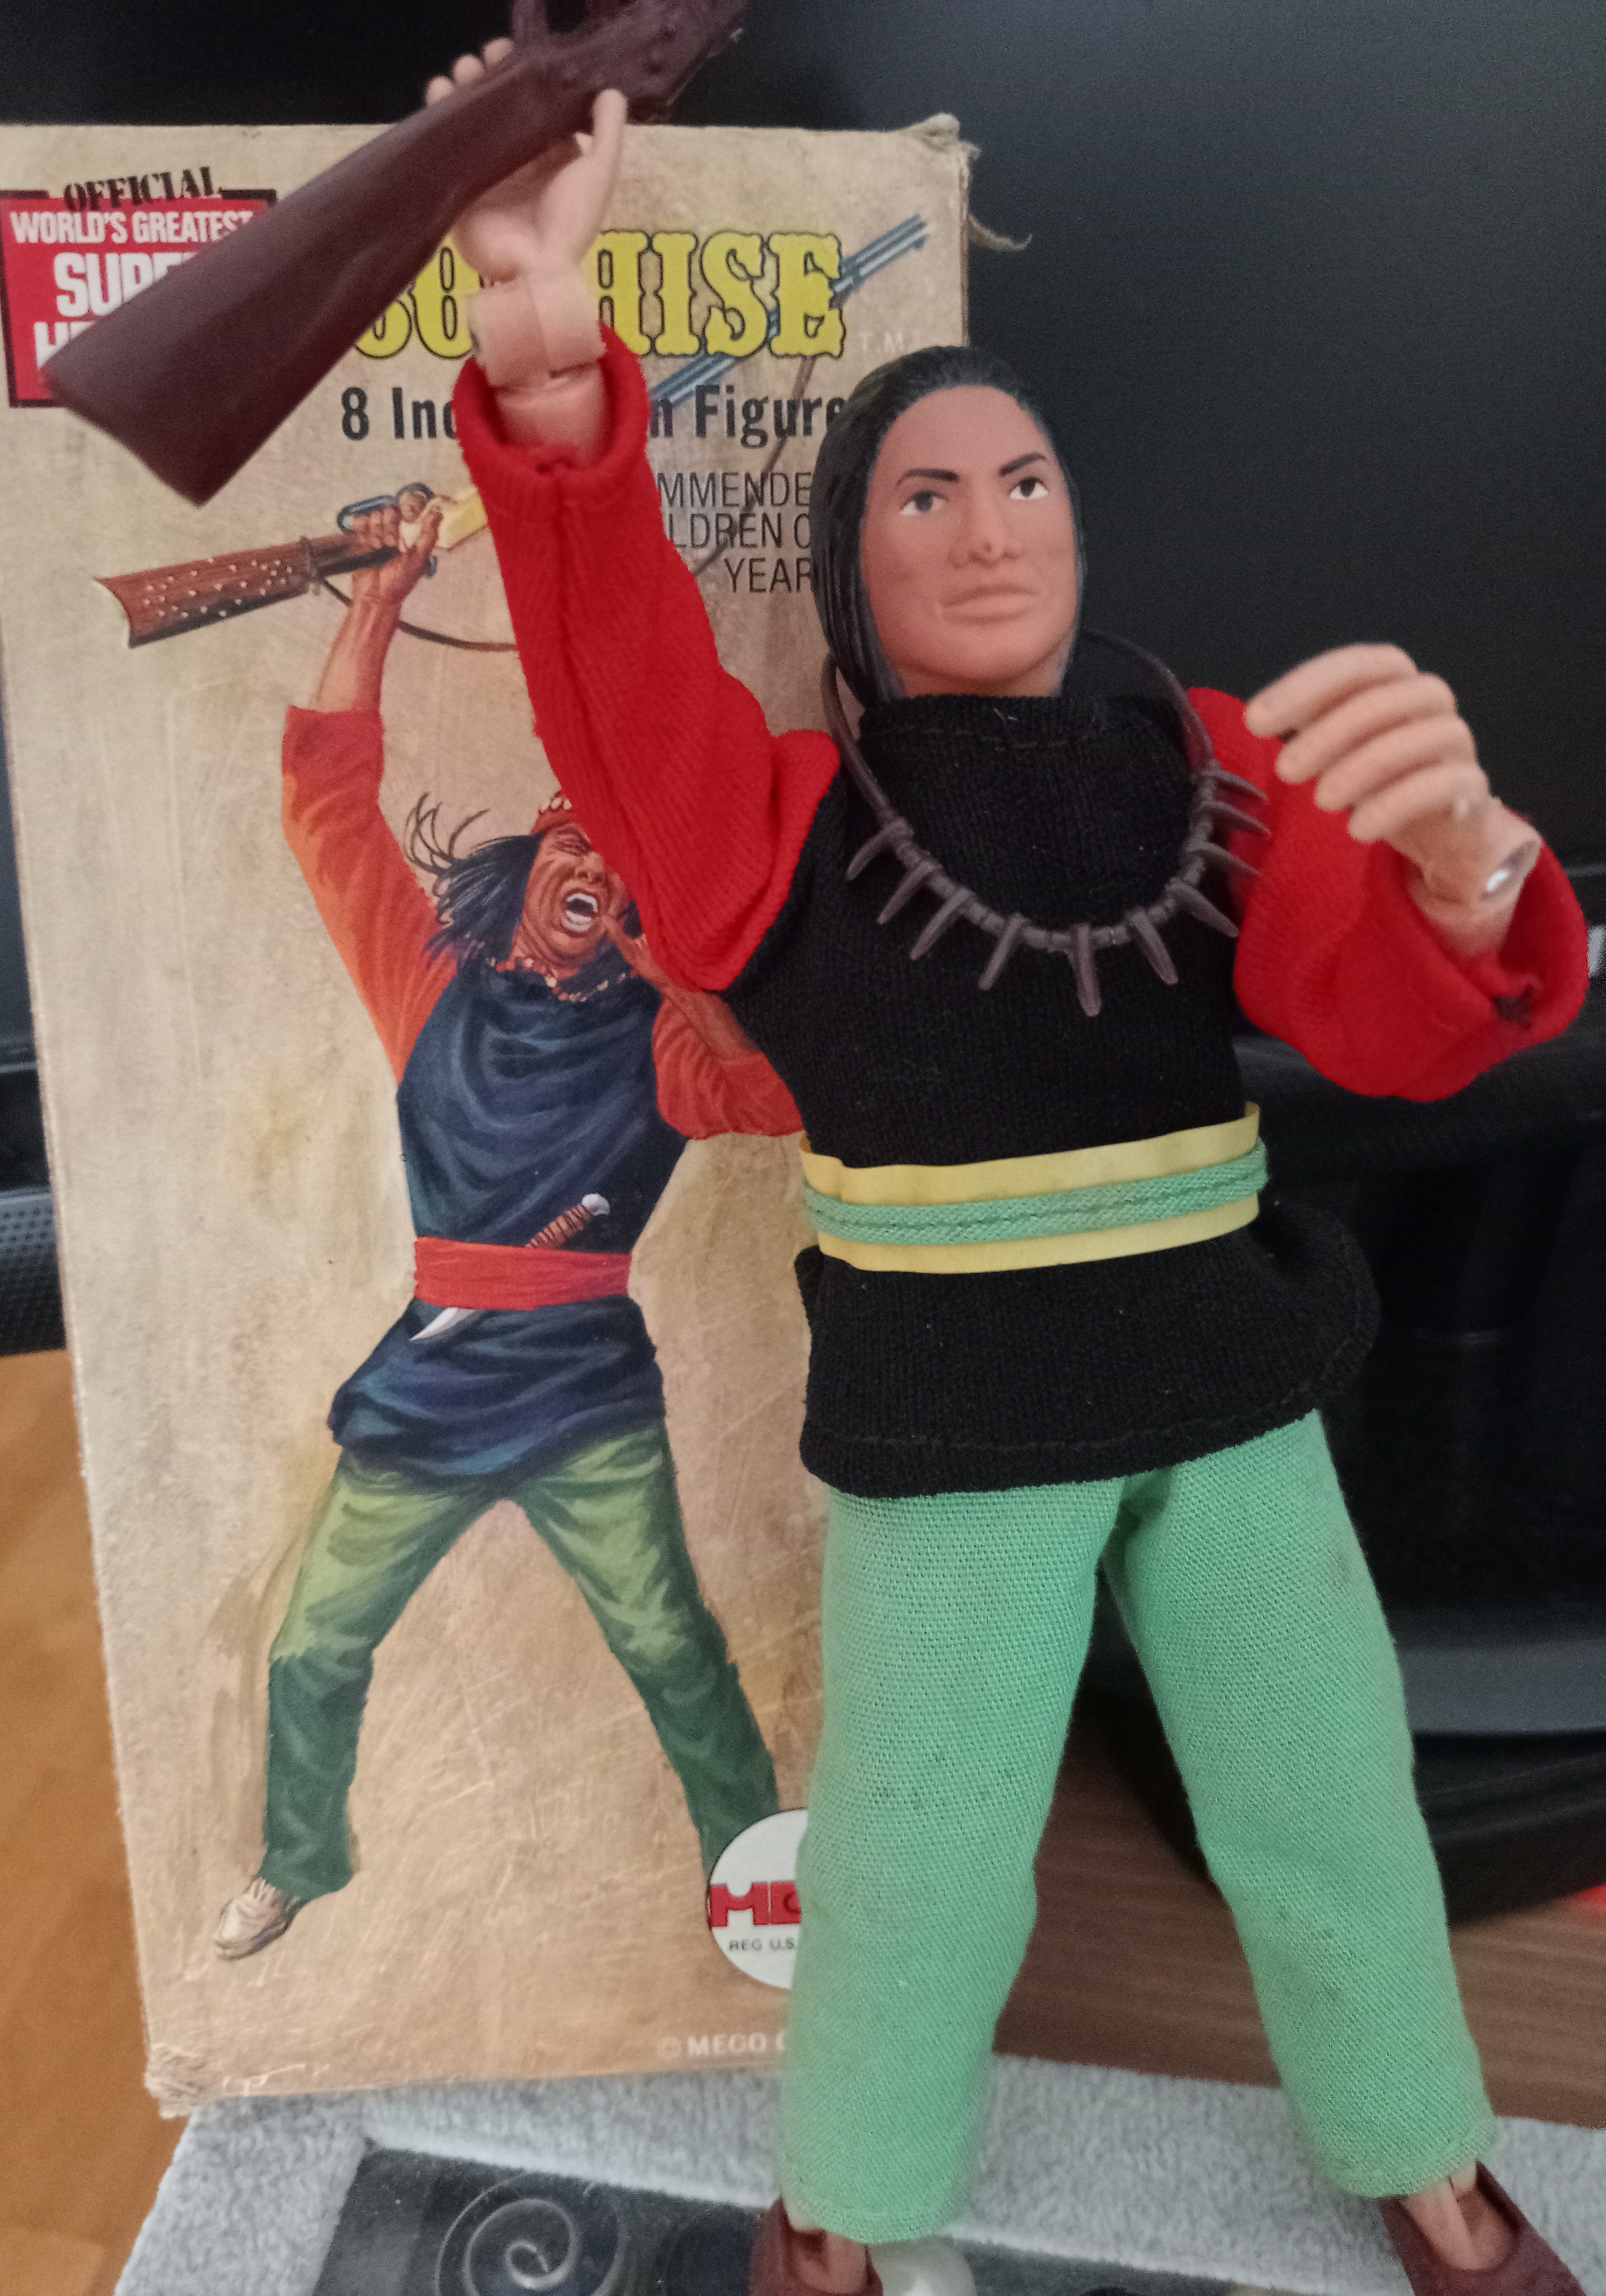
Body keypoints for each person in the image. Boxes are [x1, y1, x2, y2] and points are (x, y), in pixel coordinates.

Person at [432, 45, 1591, 2296]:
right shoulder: (781, 820)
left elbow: (1385, 1024)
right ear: (852, 573)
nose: (989, 529)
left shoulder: (1212, 760)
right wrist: (554, 384)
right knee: (923, 1852)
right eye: (928, 496)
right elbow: (621, 697)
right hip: (959, 1419)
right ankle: (841, 2211)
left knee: (1335, 1802)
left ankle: (1429, 2156)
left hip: (1227, 1385)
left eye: (1026, 480)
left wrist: (1465, 872)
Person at [214, 502, 795, 1959]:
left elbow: (768, 1099)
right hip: (431, 1380)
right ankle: (300, 1862)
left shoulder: (665, 1037)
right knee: (314, 1643)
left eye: (627, 865)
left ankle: (754, 1876)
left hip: (585, 1388)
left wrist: (687, 979)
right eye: (578, 843)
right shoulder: (430, 986)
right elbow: (327, 801)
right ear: (535, 856)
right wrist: (380, 599)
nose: (598, 874)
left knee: (671, 1647)